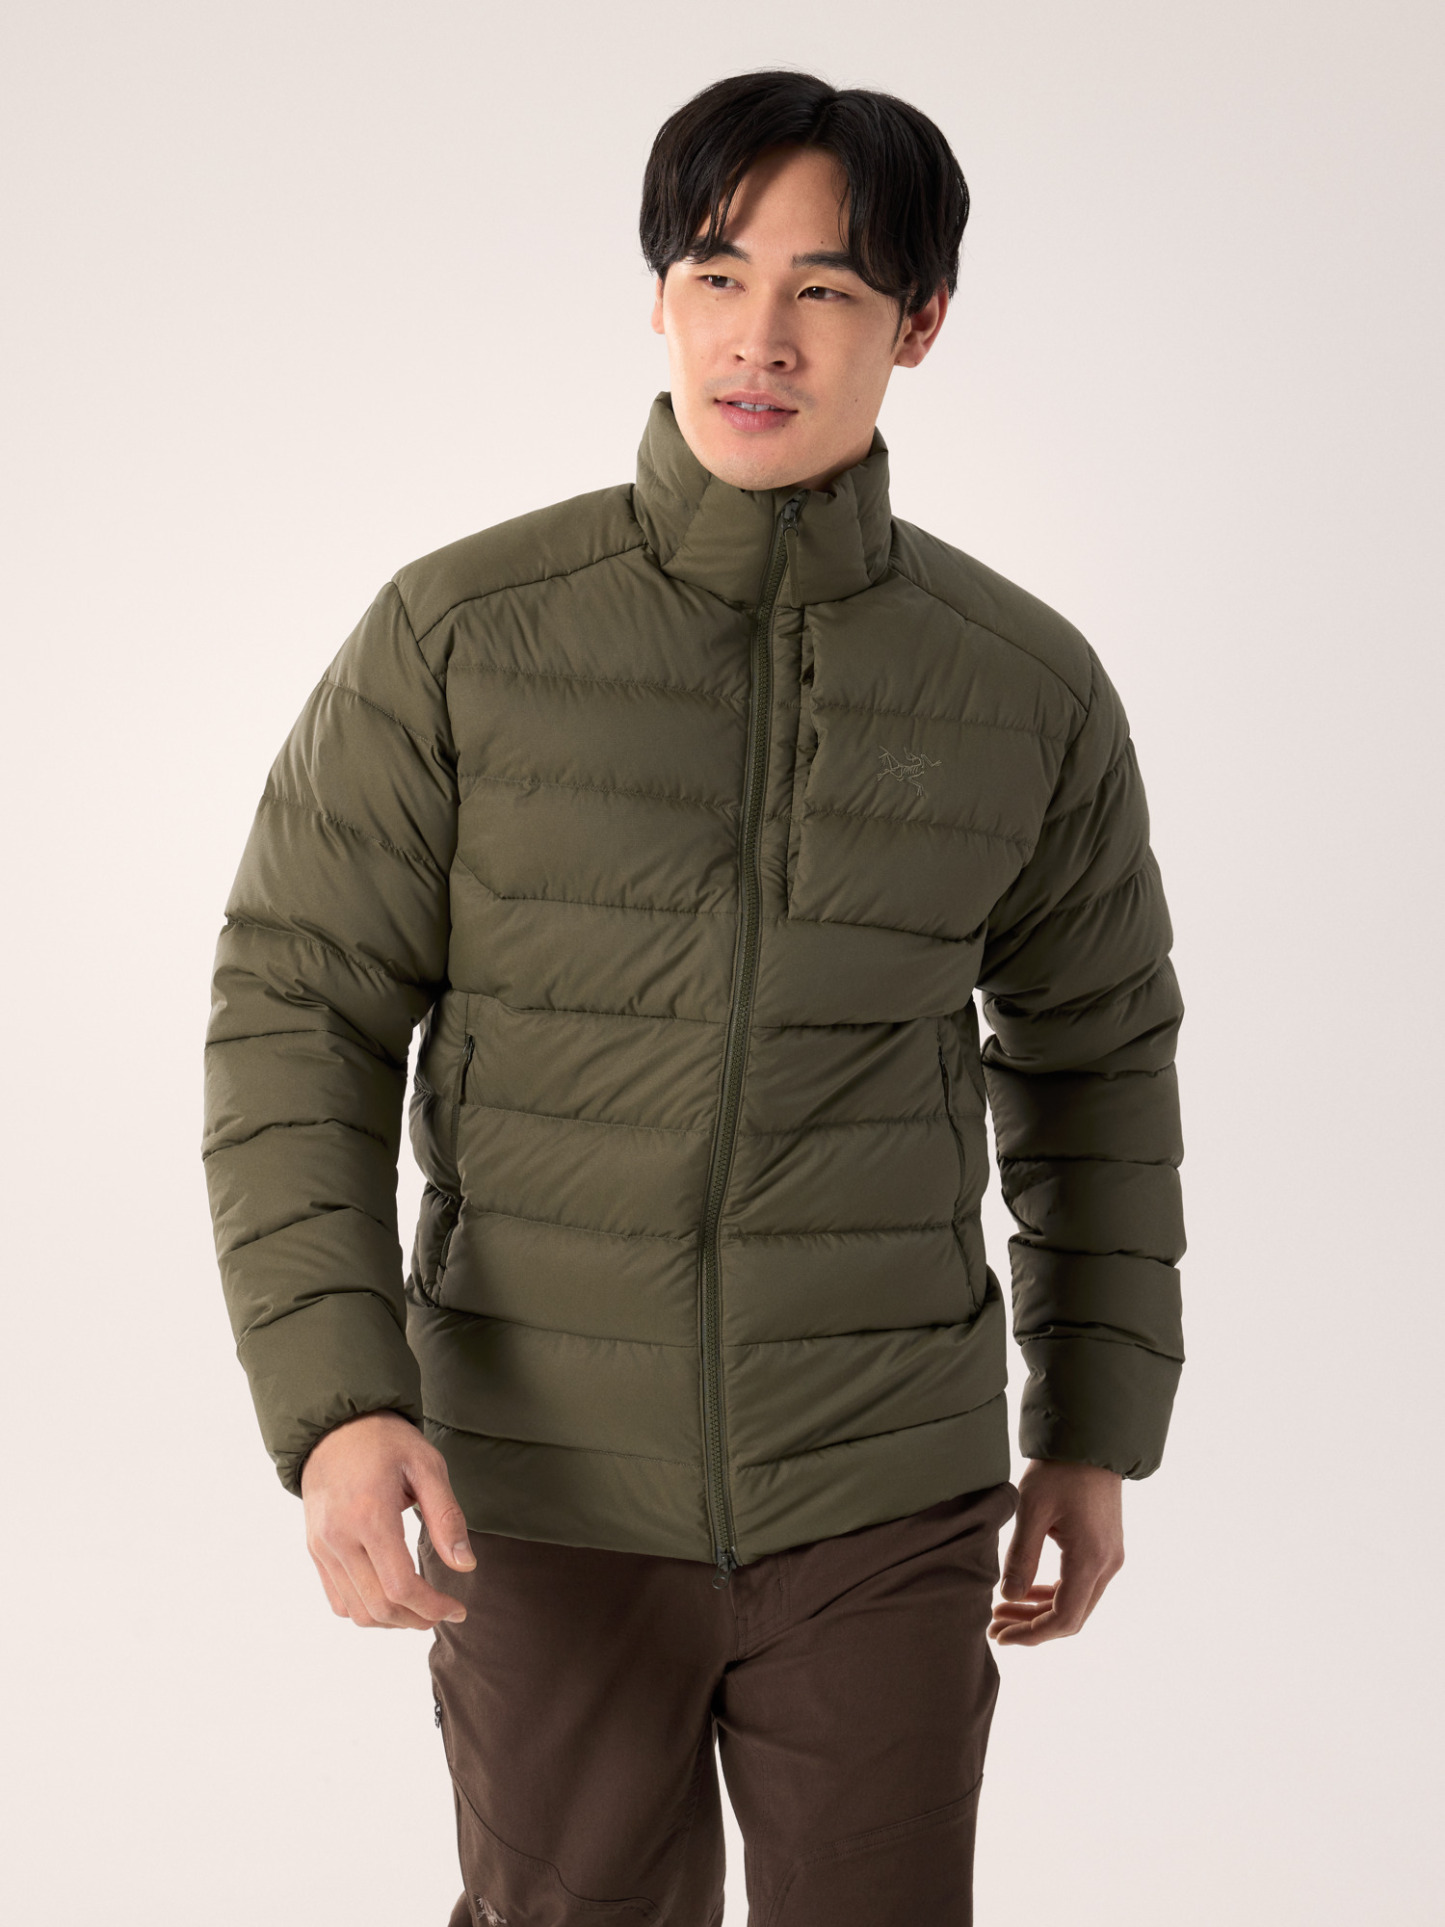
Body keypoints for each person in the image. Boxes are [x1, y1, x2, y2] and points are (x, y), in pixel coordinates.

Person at [202, 68, 1185, 1927]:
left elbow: (1096, 1064)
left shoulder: (1023, 687)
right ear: (658, 294)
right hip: (539, 1487)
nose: (760, 338)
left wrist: (1090, 1425)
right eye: (718, 275)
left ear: (918, 322)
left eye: (827, 288)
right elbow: (297, 1015)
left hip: (884, 1485)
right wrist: (336, 1403)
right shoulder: (463, 635)